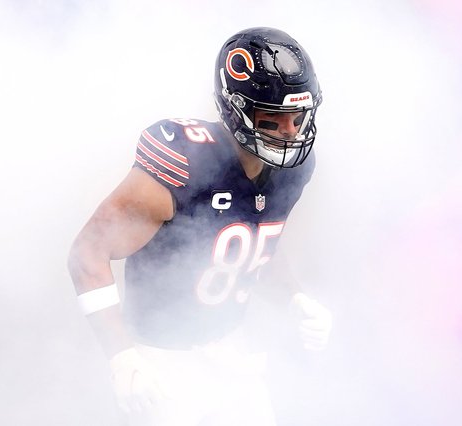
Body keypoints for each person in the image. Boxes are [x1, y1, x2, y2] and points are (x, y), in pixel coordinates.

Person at [68, 27, 332, 425]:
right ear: (236, 109)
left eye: (298, 118)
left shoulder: (292, 172)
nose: (290, 133)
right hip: (163, 361)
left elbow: (259, 244)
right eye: (274, 119)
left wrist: (296, 299)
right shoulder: (187, 160)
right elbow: (88, 252)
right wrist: (122, 358)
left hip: (232, 354)